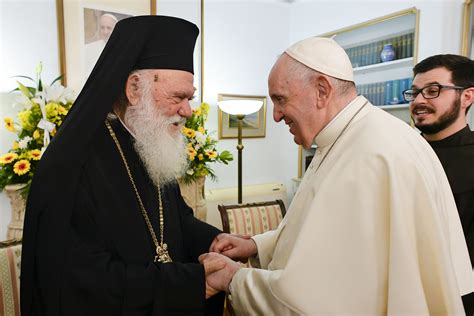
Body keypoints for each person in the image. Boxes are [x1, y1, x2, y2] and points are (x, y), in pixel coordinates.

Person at [199, 37, 473, 315]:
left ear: (321, 90)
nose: (277, 117)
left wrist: (234, 279)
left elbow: (315, 298)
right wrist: (255, 245)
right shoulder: (347, 138)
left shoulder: (371, 154)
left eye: (280, 100)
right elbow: (312, 234)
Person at [21, 16, 225, 315]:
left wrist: (214, 240)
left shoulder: (150, 144)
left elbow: (175, 220)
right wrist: (189, 283)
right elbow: (80, 282)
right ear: (133, 89)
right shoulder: (70, 164)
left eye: (190, 98)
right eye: (177, 97)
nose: (188, 110)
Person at [405, 54, 474, 315]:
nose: (419, 100)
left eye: (432, 91)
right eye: (414, 93)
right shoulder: (399, 151)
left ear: (467, 96)